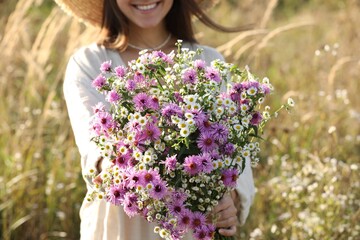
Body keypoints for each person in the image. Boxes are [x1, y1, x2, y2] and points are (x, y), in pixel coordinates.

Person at [56, 0, 255, 239]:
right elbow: (96, 151)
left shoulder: (209, 62)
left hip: (192, 227)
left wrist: (227, 202)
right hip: (120, 225)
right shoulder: (89, 63)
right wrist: (138, 176)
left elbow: (235, 155)